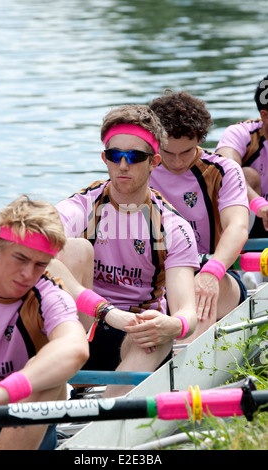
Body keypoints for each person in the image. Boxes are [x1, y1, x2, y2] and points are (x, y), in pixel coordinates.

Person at [55, 104, 200, 398]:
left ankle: (104, 419)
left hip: (134, 336)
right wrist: (105, 311)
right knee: (72, 249)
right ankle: (57, 389)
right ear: (104, 159)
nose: (123, 165)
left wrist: (173, 324)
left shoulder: (173, 228)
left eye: (135, 157)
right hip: (82, 326)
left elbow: (187, 313)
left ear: (154, 162)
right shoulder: (82, 206)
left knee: (155, 335)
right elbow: (36, 247)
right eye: (114, 155)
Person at [0, 195, 89, 450]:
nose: (28, 274)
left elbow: (75, 349)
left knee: (50, 374)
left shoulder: (50, 295)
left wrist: (0, 393)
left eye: (40, 265)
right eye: (21, 259)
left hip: (17, 413)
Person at [149, 91, 249, 342]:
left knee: (196, 289)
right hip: (157, 281)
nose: (177, 161)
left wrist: (212, 272)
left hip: (214, 275)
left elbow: (237, 226)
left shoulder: (223, 170)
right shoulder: (142, 168)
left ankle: (184, 366)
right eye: (168, 153)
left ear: (200, 138)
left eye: (186, 151)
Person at [215, 74, 268, 288]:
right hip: (251, 222)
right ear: (265, 115)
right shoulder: (241, 133)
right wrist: (260, 206)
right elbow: (225, 170)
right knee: (245, 175)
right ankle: (248, 276)